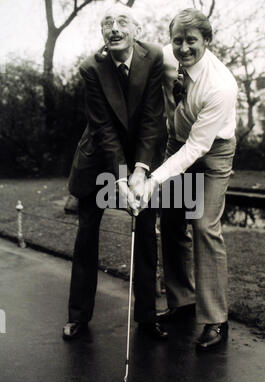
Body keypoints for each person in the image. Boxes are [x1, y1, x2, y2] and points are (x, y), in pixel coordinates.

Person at [63, 4, 168, 341]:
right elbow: (103, 128)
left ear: (135, 30)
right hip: (97, 160)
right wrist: (120, 178)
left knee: (146, 234)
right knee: (87, 235)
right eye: (107, 23)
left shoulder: (152, 56)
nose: (114, 29)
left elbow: (153, 116)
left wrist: (139, 170)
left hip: (142, 157)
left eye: (122, 22)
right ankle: (78, 315)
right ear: (103, 34)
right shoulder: (91, 68)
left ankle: (148, 318)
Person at [142, 8, 238, 350]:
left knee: (203, 226)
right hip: (177, 142)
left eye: (192, 41)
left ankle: (216, 320)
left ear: (207, 41)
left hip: (213, 151)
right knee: (170, 222)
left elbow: (198, 147)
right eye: (178, 39)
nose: (183, 48)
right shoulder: (168, 57)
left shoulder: (220, 86)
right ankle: (183, 302)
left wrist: (153, 179)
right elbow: (141, 52)